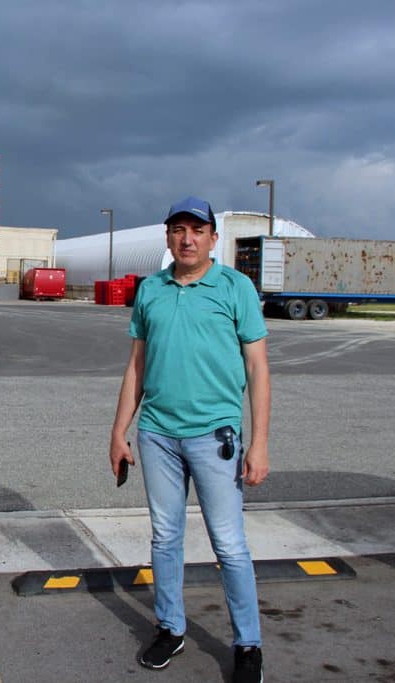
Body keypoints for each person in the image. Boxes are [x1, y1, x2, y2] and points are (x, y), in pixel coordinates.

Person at [109, 196, 270, 683]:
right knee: (165, 537)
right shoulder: (152, 290)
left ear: (213, 239)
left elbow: (258, 368)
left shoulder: (235, 287)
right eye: (178, 229)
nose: (187, 238)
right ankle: (171, 628)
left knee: (229, 545)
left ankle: (248, 645)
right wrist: (119, 432)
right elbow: (137, 365)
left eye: (197, 230)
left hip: (214, 436)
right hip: (157, 434)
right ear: (168, 238)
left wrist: (259, 443)